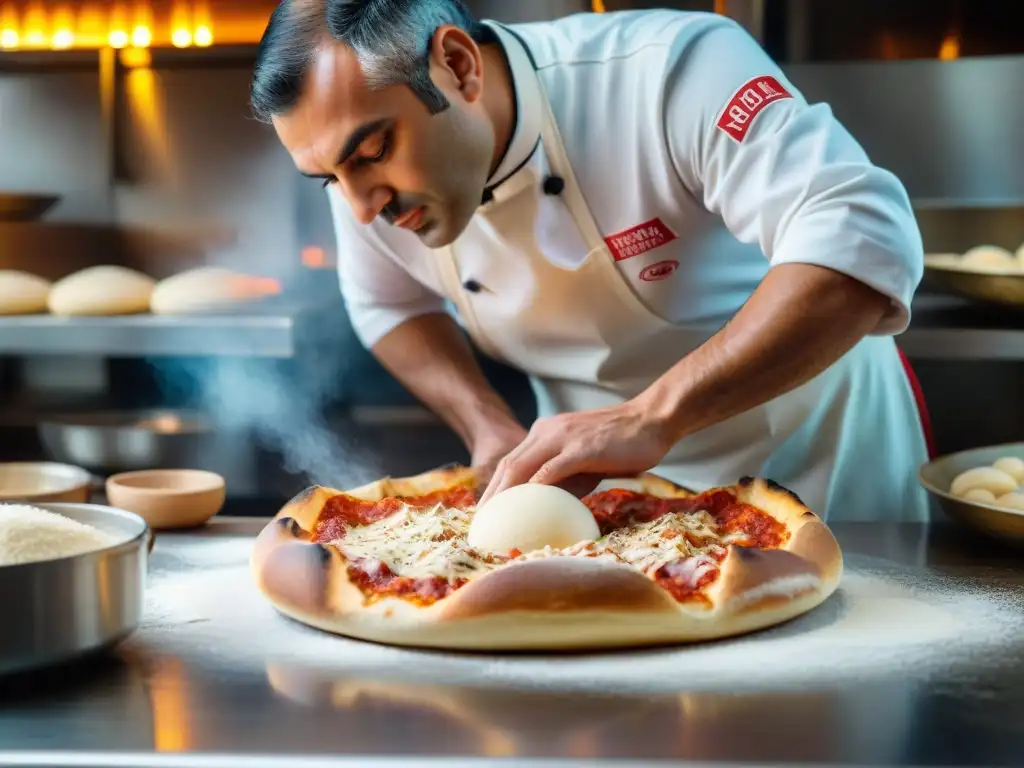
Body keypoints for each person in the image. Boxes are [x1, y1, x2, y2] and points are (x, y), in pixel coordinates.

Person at [251, 0, 930, 521]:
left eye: (371, 153)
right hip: (602, 506)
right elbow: (388, 304)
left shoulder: (669, 71)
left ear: (457, 65)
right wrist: (486, 424)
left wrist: (654, 416)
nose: (362, 206)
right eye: (329, 178)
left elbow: (858, 232)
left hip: (823, 474)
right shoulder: (364, 190)